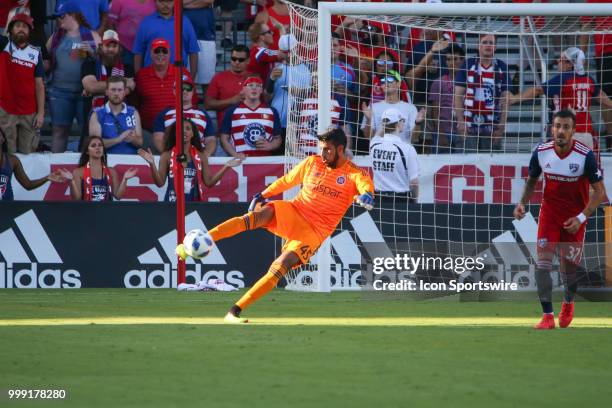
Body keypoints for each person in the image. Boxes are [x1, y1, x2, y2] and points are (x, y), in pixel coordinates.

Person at [176, 127, 375, 323]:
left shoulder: (353, 173)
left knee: (280, 266)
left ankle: (234, 311)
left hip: (314, 231)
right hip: (295, 211)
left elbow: (365, 187)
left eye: (328, 149)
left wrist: (367, 195)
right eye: (321, 148)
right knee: (255, 216)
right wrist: (263, 194)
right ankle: (202, 240)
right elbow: (287, 180)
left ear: (340, 149)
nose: (323, 153)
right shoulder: (312, 163)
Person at [513, 110, 607, 330]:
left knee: (569, 270)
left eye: (566, 127)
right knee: (542, 264)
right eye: (557, 126)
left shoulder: (585, 155)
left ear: (573, 131)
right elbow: (531, 182)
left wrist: (581, 217)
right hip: (549, 216)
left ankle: (568, 303)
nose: (561, 131)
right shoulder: (541, 152)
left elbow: (600, 192)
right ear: (551, 128)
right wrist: (522, 204)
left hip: (574, 220)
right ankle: (547, 316)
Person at [509, 47, 612, 150]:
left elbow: (537, 90)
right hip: (587, 135)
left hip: (567, 135)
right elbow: (602, 96)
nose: (558, 61)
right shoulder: (589, 80)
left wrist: (515, 98)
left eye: (562, 59)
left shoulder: (564, 79)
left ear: (570, 64)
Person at [138, 120, 242, 202]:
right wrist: (151, 163)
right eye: (180, 129)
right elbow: (160, 183)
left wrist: (226, 166)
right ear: (175, 133)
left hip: (194, 204)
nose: (184, 131)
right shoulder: (166, 155)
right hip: (171, 205)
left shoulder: (201, 156)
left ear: (193, 134)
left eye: (188, 129)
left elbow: (209, 183)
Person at [46, 1, 101, 152]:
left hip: (84, 93)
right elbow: (44, 61)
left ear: (73, 15)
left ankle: (85, 168)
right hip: (59, 91)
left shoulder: (92, 35)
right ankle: (56, 166)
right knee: (59, 130)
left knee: (87, 132)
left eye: (62, 16)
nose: (59, 20)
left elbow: (105, 61)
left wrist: (93, 52)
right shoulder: (55, 37)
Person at [454, 34, 511, 152]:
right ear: (478, 46)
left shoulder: (501, 67)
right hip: (469, 124)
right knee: (468, 163)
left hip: (492, 125)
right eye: (485, 42)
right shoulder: (468, 64)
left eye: (491, 43)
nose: (488, 45)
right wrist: (460, 121)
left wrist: (501, 126)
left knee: (492, 164)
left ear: (495, 47)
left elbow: (506, 99)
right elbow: (458, 96)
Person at [0, 12, 45, 154]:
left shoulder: (36, 53)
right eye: (17, 26)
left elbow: (39, 85)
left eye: (24, 27)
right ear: (10, 29)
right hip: (6, 110)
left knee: (28, 153)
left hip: (29, 112)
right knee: (8, 153)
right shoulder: (3, 46)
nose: (21, 29)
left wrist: (41, 112)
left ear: (29, 31)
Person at [134, 38, 194, 133]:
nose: (160, 54)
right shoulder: (141, 76)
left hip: (177, 132)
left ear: (170, 54)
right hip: (149, 131)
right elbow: (135, 104)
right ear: (151, 53)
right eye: (157, 51)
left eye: (164, 51)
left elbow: (192, 102)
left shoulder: (183, 73)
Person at [152, 74, 216, 156]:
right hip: (172, 158)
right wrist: (169, 156)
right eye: (181, 88)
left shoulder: (203, 114)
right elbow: (158, 138)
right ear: (174, 91)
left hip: (198, 158)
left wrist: (205, 155)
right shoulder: (163, 114)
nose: (185, 91)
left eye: (188, 88)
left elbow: (210, 139)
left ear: (193, 91)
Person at [132, 0, 199, 77]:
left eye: (169, 1)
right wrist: (138, 78)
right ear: (155, 2)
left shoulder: (184, 21)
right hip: (150, 78)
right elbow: (138, 53)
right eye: (161, 1)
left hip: (178, 76)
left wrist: (191, 79)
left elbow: (193, 52)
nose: (165, 5)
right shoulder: (146, 22)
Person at [220, 76, 282, 158]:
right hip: (240, 162)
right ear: (243, 89)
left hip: (264, 162)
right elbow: (224, 138)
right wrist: (234, 154)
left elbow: (278, 138)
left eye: (258, 86)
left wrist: (270, 145)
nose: (254, 88)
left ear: (261, 90)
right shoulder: (231, 111)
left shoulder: (272, 111)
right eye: (250, 85)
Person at [0, 128, 66, 201]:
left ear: (3, 138)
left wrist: (47, 178)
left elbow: (28, 185)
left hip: (8, 206)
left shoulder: (12, 160)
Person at [65, 135, 137, 201]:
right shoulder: (78, 172)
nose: (97, 148)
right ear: (87, 151)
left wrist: (125, 179)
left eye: (100, 145)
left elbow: (118, 196)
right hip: (87, 212)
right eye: (93, 146)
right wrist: (72, 182)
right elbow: (76, 199)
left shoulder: (111, 171)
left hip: (107, 212)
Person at [369, 108, 419, 201]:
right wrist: (415, 200)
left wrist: (385, 124)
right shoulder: (407, 149)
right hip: (401, 199)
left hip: (379, 199)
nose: (404, 123)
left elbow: (379, 133)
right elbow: (414, 182)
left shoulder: (374, 144)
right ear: (398, 124)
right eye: (402, 120)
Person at [361, 71, 424, 144]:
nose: (386, 83)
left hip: (402, 152)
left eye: (390, 79)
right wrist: (368, 120)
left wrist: (418, 123)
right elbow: (368, 137)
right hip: (380, 152)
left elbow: (414, 138)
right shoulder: (373, 107)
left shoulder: (410, 108)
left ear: (398, 84)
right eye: (383, 81)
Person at [89, 76, 143, 154]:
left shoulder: (133, 112)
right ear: (106, 92)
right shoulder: (97, 114)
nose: (116, 93)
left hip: (130, 161)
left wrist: (132, 139)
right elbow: (94, 145)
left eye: (119, 90)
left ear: (124, 92)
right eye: (113, 90)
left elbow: (140, 143)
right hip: (107, 160)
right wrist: (118, 139)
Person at [428, 43, 465, 153]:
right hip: (444, 132)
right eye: (448, 59)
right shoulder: (438, 82)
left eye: (455, 59)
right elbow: (435, 112)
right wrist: (441, 134)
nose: (452, 62)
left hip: (463, 131)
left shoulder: (470, 82)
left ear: (463, 60)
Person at [205, 45, 252, 131]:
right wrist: (231, 101)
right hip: (226, 131)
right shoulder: (219, 77)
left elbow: (265, 101)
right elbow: (208, 104)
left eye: (241, 60)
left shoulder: (254, 78)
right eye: (233, 59)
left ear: (248, 61)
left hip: (250, 128)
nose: (236, 62)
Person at [106, 0, 156, 66]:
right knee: (127, 74)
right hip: (124, 47)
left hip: (149, 48)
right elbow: (110, 23)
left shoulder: (155, 2)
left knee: (146, 74)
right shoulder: (118, 1)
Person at [183, 0, 216, 96]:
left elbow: (209, 1)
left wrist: (186, 4)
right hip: (183, 35)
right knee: (185, 80)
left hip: (206, 35)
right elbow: (177, 3)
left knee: (207, 80)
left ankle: (209, 110)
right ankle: (188, 109)